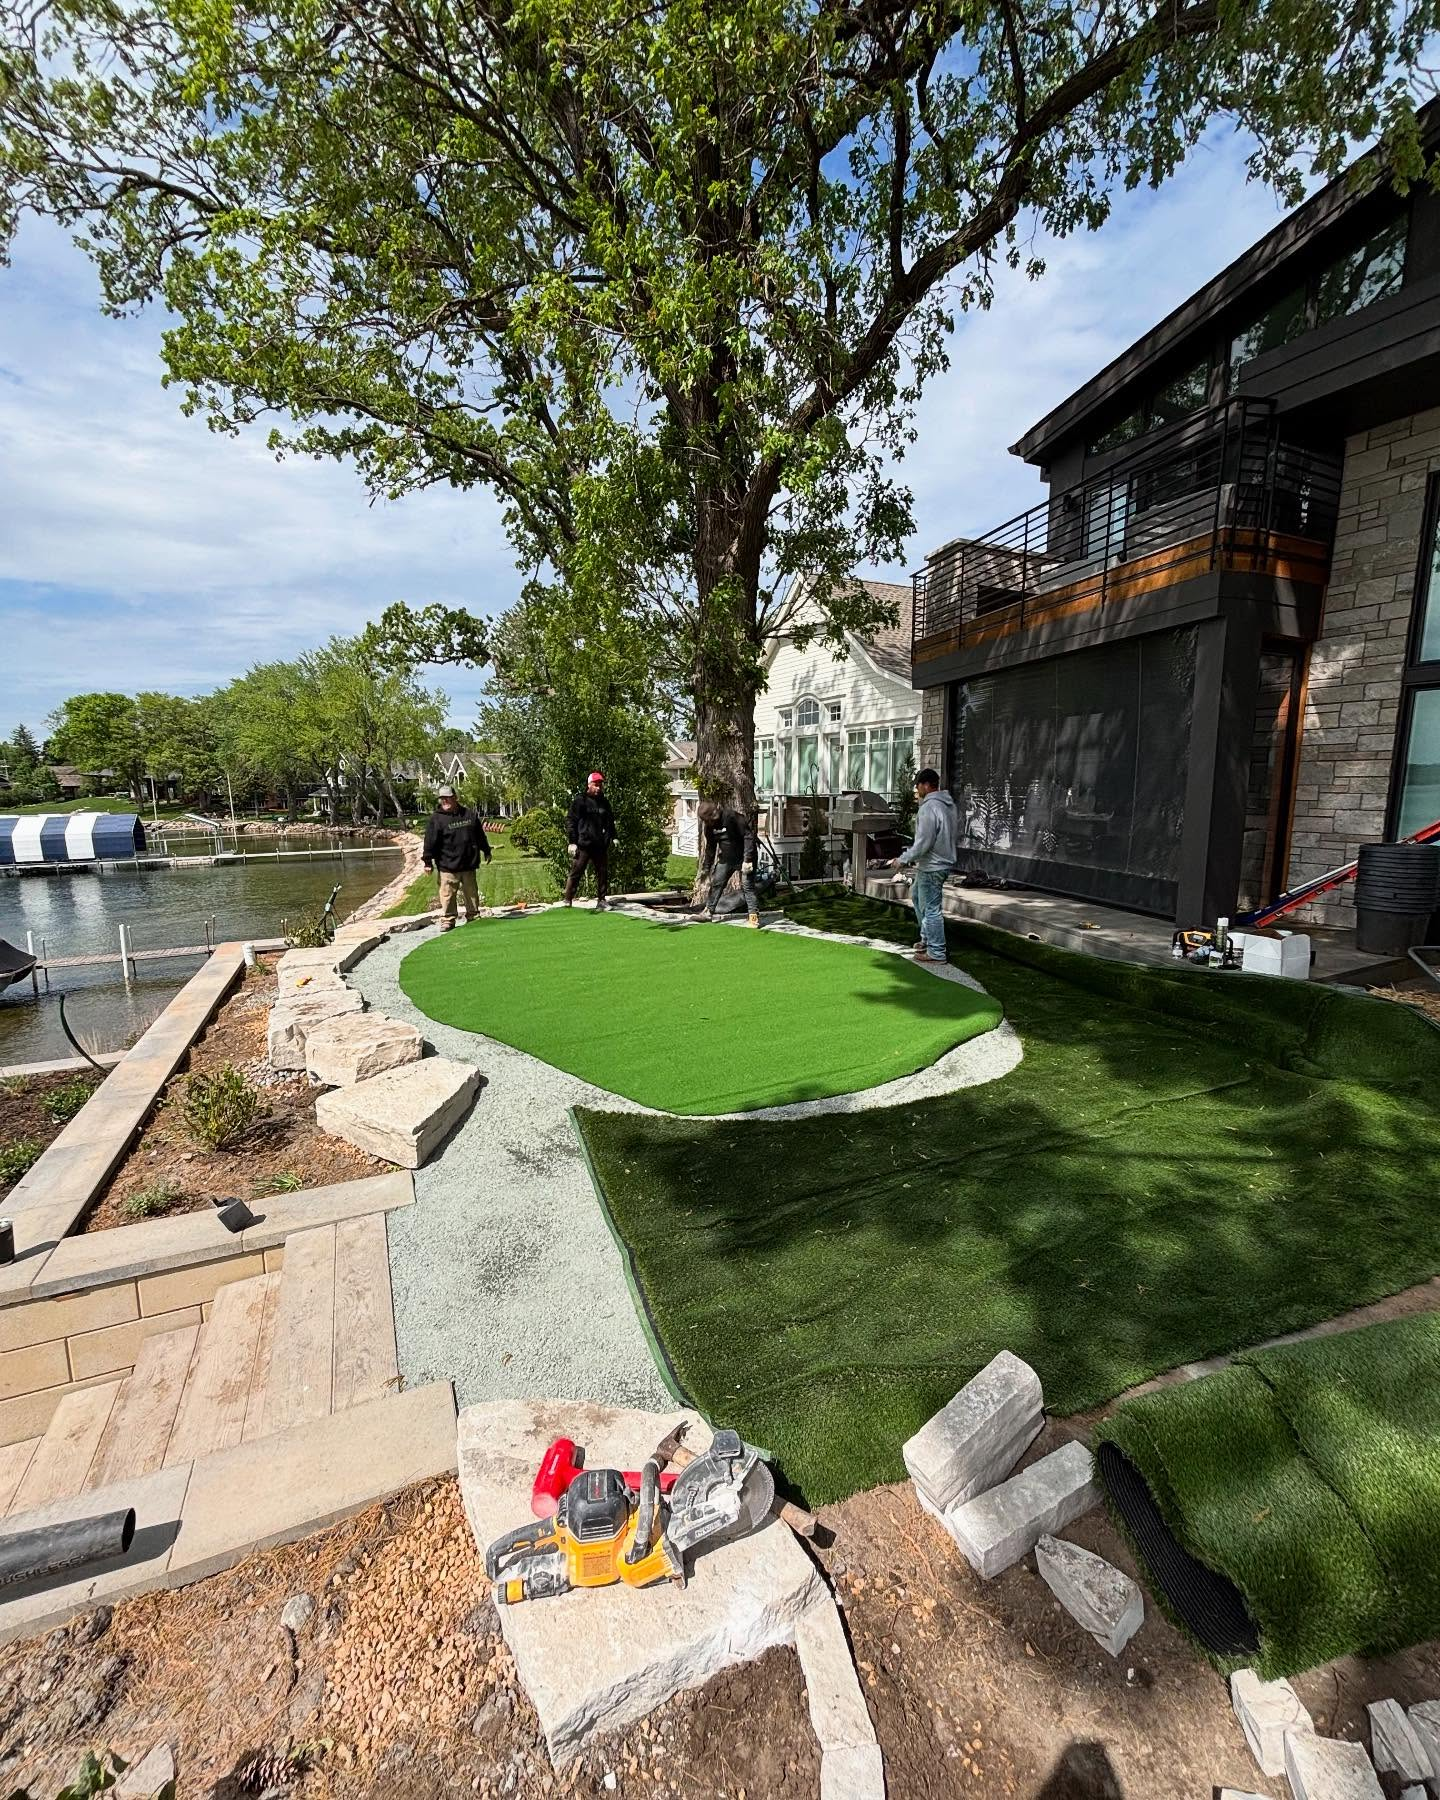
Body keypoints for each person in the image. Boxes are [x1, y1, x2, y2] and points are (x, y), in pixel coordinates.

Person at [888, 768, 956, 964]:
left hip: (933, 866)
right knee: (917, 895)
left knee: (931, 908)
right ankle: (927, 938)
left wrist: (902, 859)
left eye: (918, 786)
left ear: (926, 785)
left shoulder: (930, 807)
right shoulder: (947, 805)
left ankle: (936, 952)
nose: (916, 790)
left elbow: (923, 842)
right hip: (939, 863)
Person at [422, 785, 492, 931]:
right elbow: (430, 841)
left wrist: (486, 850)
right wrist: (428, 861)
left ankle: (473, 916)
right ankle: (448, 919)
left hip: (468, 864)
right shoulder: (437, 819)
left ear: (455, 798)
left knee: (471, 893)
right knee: (447, 895)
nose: (445, 801)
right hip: (447, 865)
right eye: (442, 798)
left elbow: (479, 835)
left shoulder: (469, 815)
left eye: (447, 798)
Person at [698, 800, 762, 927]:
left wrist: (748, 860)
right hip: (727, 859)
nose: (711, 822)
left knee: (747, 886)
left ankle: (753, 917)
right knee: (717, 883)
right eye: (708, 821)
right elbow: (710, 848)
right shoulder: (709, 827)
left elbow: (748, 836)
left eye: (711, 819)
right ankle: (708, 912)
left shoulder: (731, 817)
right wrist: (706, 867)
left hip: (745, 857)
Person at [564, 770, 617, 908]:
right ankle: (567, 900)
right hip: (583, 844)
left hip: (600, 845)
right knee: (576, 872)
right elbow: (571, 821)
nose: (598, 788)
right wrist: (572, 842)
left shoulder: (604, 802)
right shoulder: (580, 800)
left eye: (600, 785)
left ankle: (601, 900)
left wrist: (614, 837)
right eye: (596, 784)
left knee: (602, 873)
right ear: (589, 785)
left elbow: (610, 821)